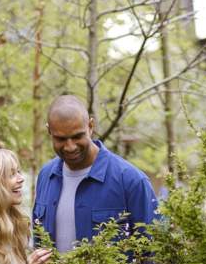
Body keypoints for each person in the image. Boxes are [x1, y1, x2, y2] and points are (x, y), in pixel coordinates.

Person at [33, 95, 158, 252]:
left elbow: (155, 253)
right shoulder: (45, 176)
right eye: (61, 139)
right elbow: (38, 243)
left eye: (77, 136)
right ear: (49, 131)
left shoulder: (131, 180)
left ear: (91, 126)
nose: (70, 146)